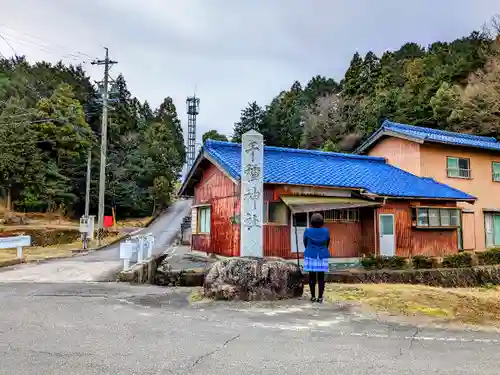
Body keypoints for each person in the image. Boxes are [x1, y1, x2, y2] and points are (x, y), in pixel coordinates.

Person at [303, 213, 330, 303]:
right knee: (321, 277)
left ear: (311, 222)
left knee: (312, 277)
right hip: (322, 255)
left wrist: (310, 248)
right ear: (322, 222)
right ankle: (320, 297)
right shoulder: (326, 231)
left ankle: (313, 297)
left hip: (311, 254)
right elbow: (327, 242)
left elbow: (305, 242)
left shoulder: (307, 231)